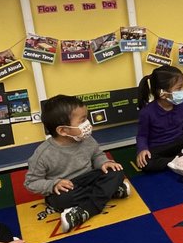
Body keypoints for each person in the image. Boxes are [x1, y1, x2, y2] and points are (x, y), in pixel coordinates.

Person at [26, 94, 131, 233]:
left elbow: (97, 155)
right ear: (62, 130)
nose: (88, 124)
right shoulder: (43, 154)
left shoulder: (86, 139)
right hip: (68, 187)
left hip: (89, 178)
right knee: (63, 200)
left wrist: (104, 163)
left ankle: (86, 210)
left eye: (86, 118)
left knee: (117, 171)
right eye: (82, 121)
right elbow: (31, 183)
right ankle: (108, 193)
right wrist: (54, 184)